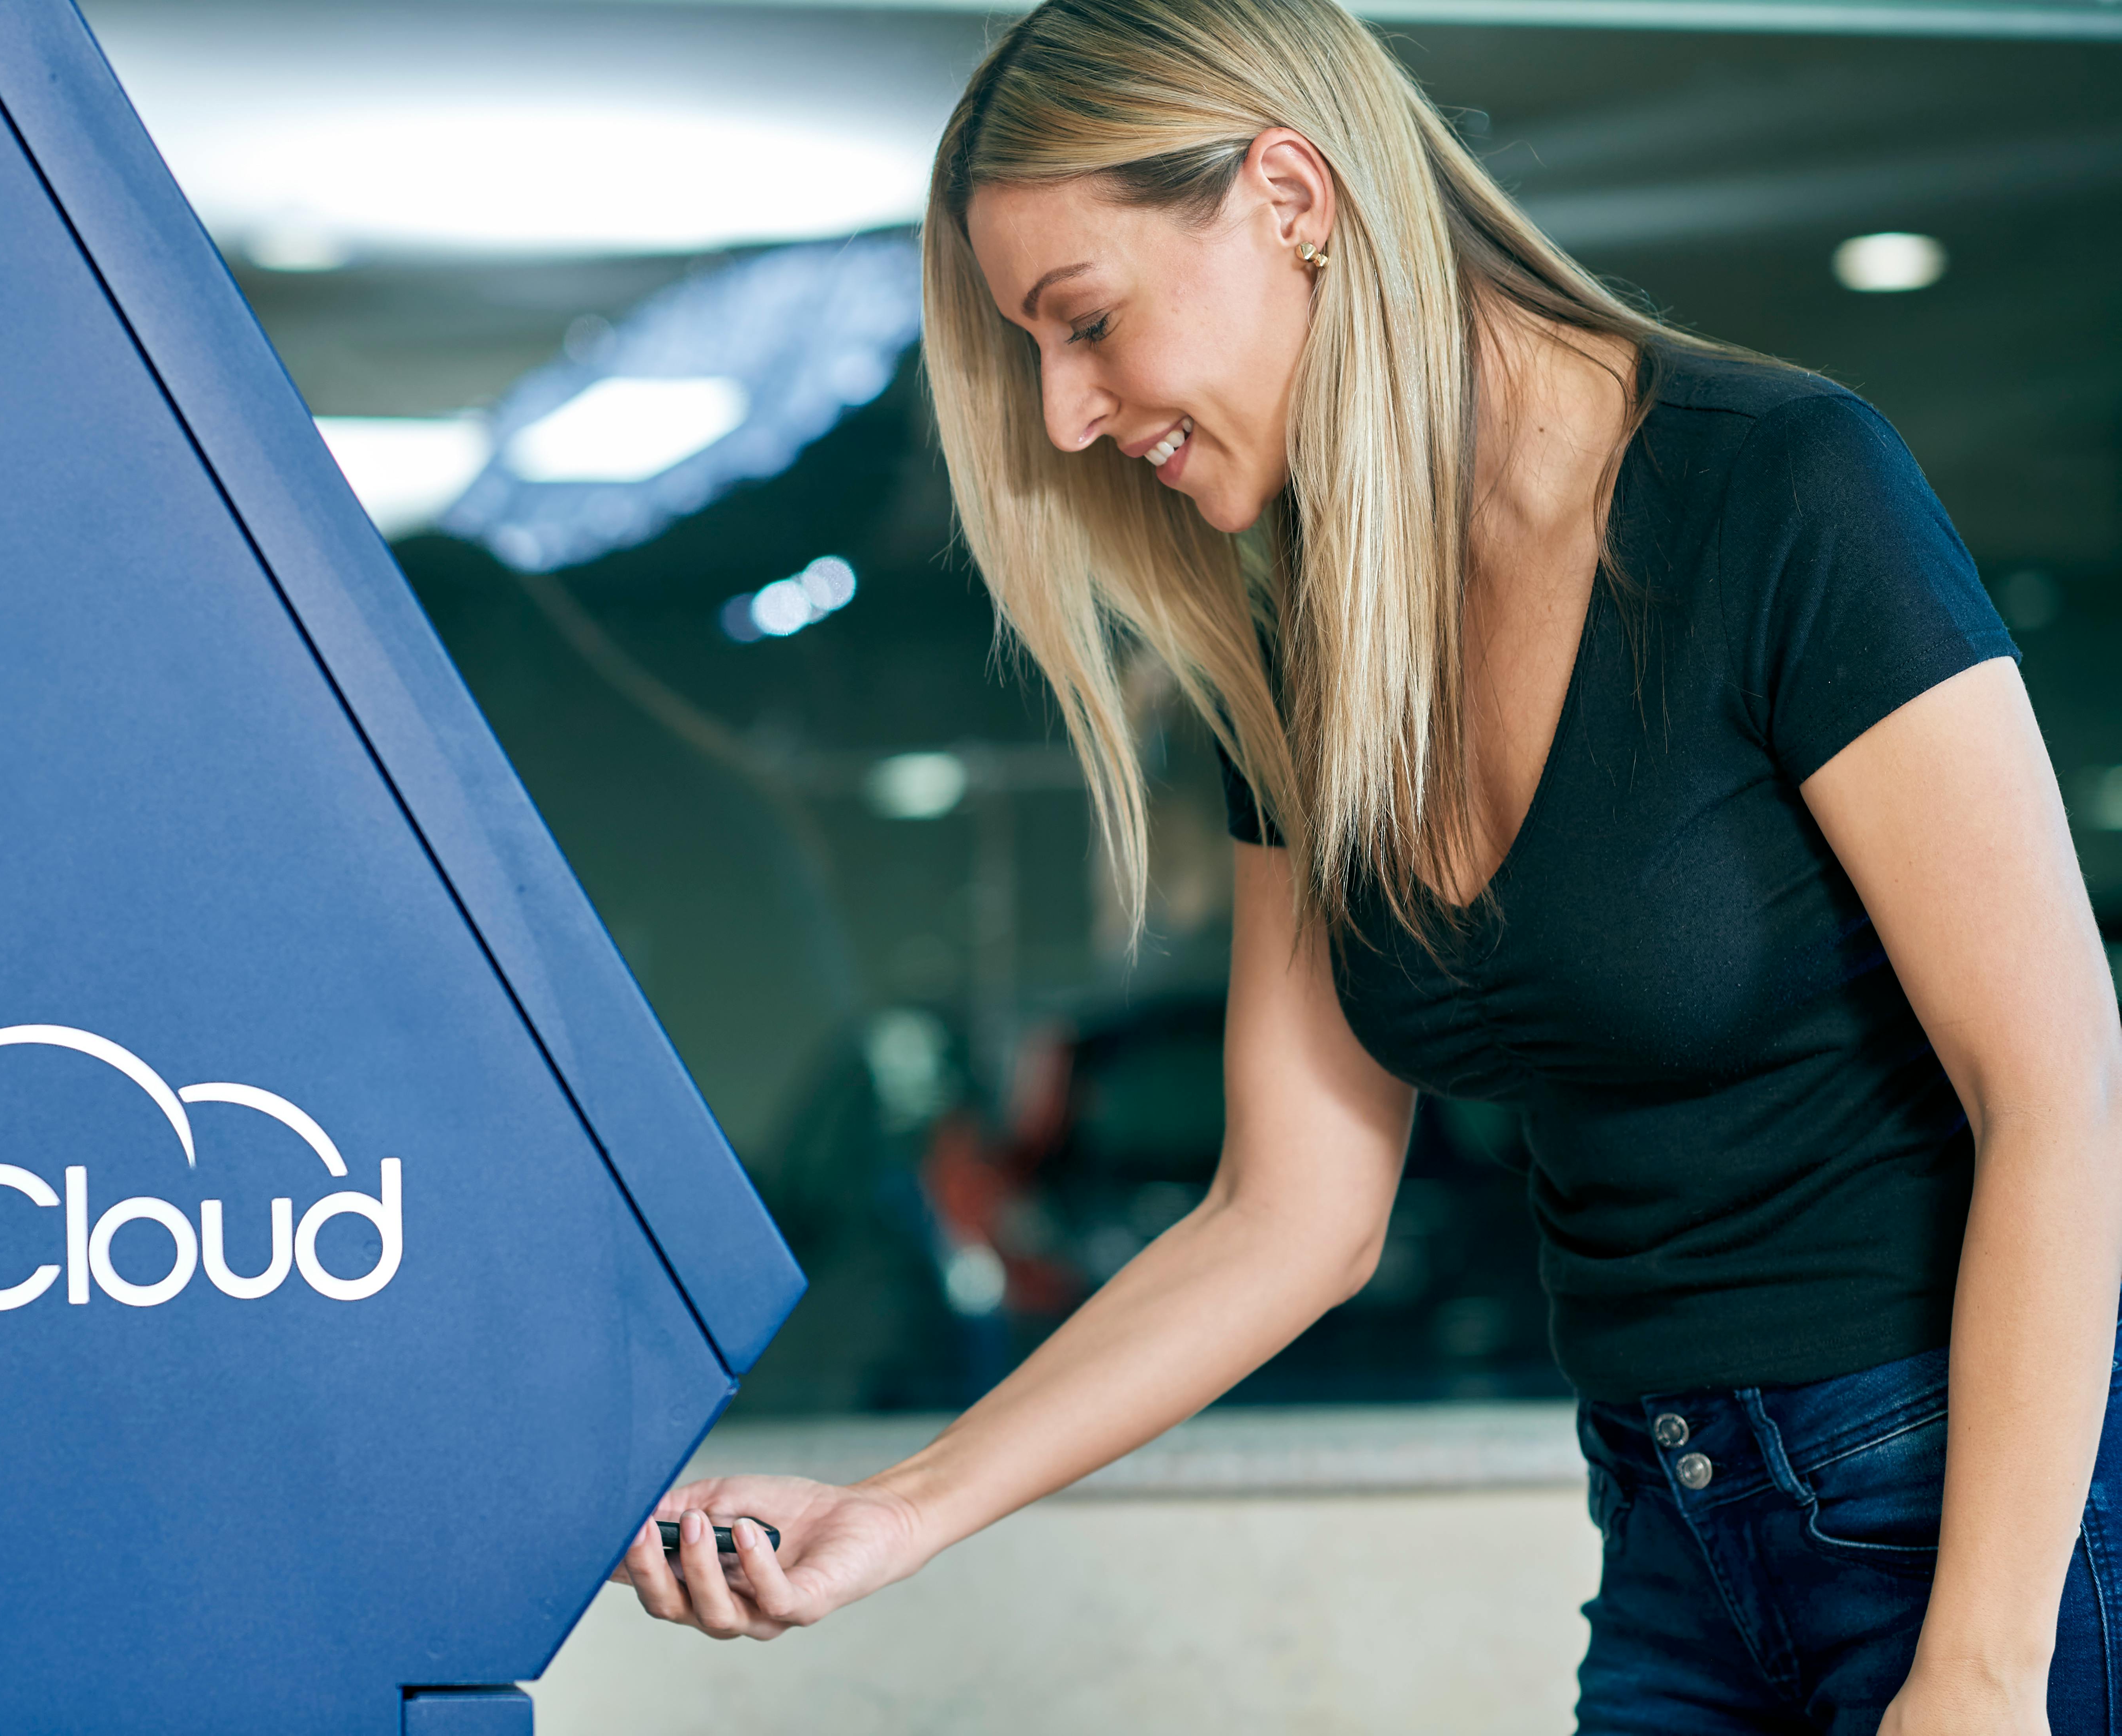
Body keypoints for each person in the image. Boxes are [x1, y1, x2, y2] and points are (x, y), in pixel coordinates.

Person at [614, 0, 2122, 1726]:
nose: (1066, 414)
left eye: (1085, 323)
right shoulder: (1309, 644)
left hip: (1988, 1513)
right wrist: (899, 1507)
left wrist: (1987, 1669)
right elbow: (1291, 1212)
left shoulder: (1775, 488)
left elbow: (2059, 1085)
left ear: (1288, 196)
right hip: (1674, 1527)